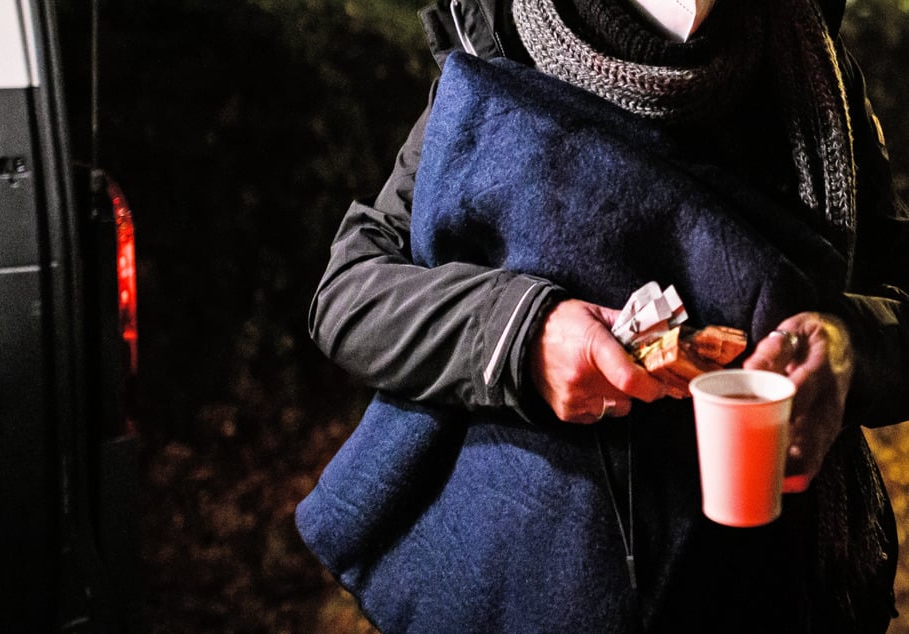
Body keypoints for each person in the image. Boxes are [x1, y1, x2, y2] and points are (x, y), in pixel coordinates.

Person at [298, 0, 909, 631]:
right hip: (537, 587)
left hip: (781, 589)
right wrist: (523, 334)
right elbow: (352, 290)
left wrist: (848, 348)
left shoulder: (814, 70)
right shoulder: (499, 48)